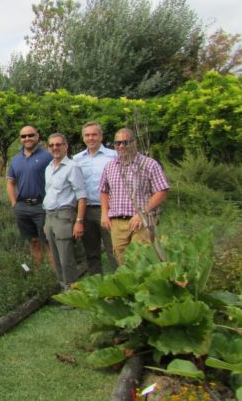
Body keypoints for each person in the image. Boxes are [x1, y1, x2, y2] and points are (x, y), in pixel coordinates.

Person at [99, 128, 169, 264]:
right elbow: (104, 190)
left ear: (134, 143)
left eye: (125, 142)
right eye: (117, 143)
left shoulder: (149, 164)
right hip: (117, 222)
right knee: (122, 261)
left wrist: (142, 213)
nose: (121, 146)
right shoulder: (110, 166)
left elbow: (162, 191)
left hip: (141, 221)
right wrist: (104, 213)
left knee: (141, 260)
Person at [42, 133, 87, 289]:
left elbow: (81, 196)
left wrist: (79, 221)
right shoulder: (49, 168)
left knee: (66, 257)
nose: (55, 148)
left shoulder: (72, 167)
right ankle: (63, 289)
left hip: (63, 216)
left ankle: (72, 292)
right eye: (52, 145)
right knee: (55, 256)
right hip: (50, 216)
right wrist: (46, 221)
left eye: (59, 144)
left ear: (66, 146)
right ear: (48, 148)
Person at [73, 122, 118, 274]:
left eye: (94, 134)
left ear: (101, 136)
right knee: (91, 253)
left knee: (115, 251)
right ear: (83, 137)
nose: (90, 138)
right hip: (85, 212)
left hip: (108, 211)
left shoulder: (113, 156)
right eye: (87, 135)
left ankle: (121, 286)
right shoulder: (77, 159)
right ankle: (97, 289)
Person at [6, 125, 52, 267]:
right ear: (20, 139)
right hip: (23, 207)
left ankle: (56, 279)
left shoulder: (47, 156)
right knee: (33, 241)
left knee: (49, 242)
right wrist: (15, 204)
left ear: (37, 136)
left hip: (42, 206)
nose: (27, 138)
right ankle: (39, 277)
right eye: (23, 136)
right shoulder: (15, 160)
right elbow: (10, 182)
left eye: (30, 135)